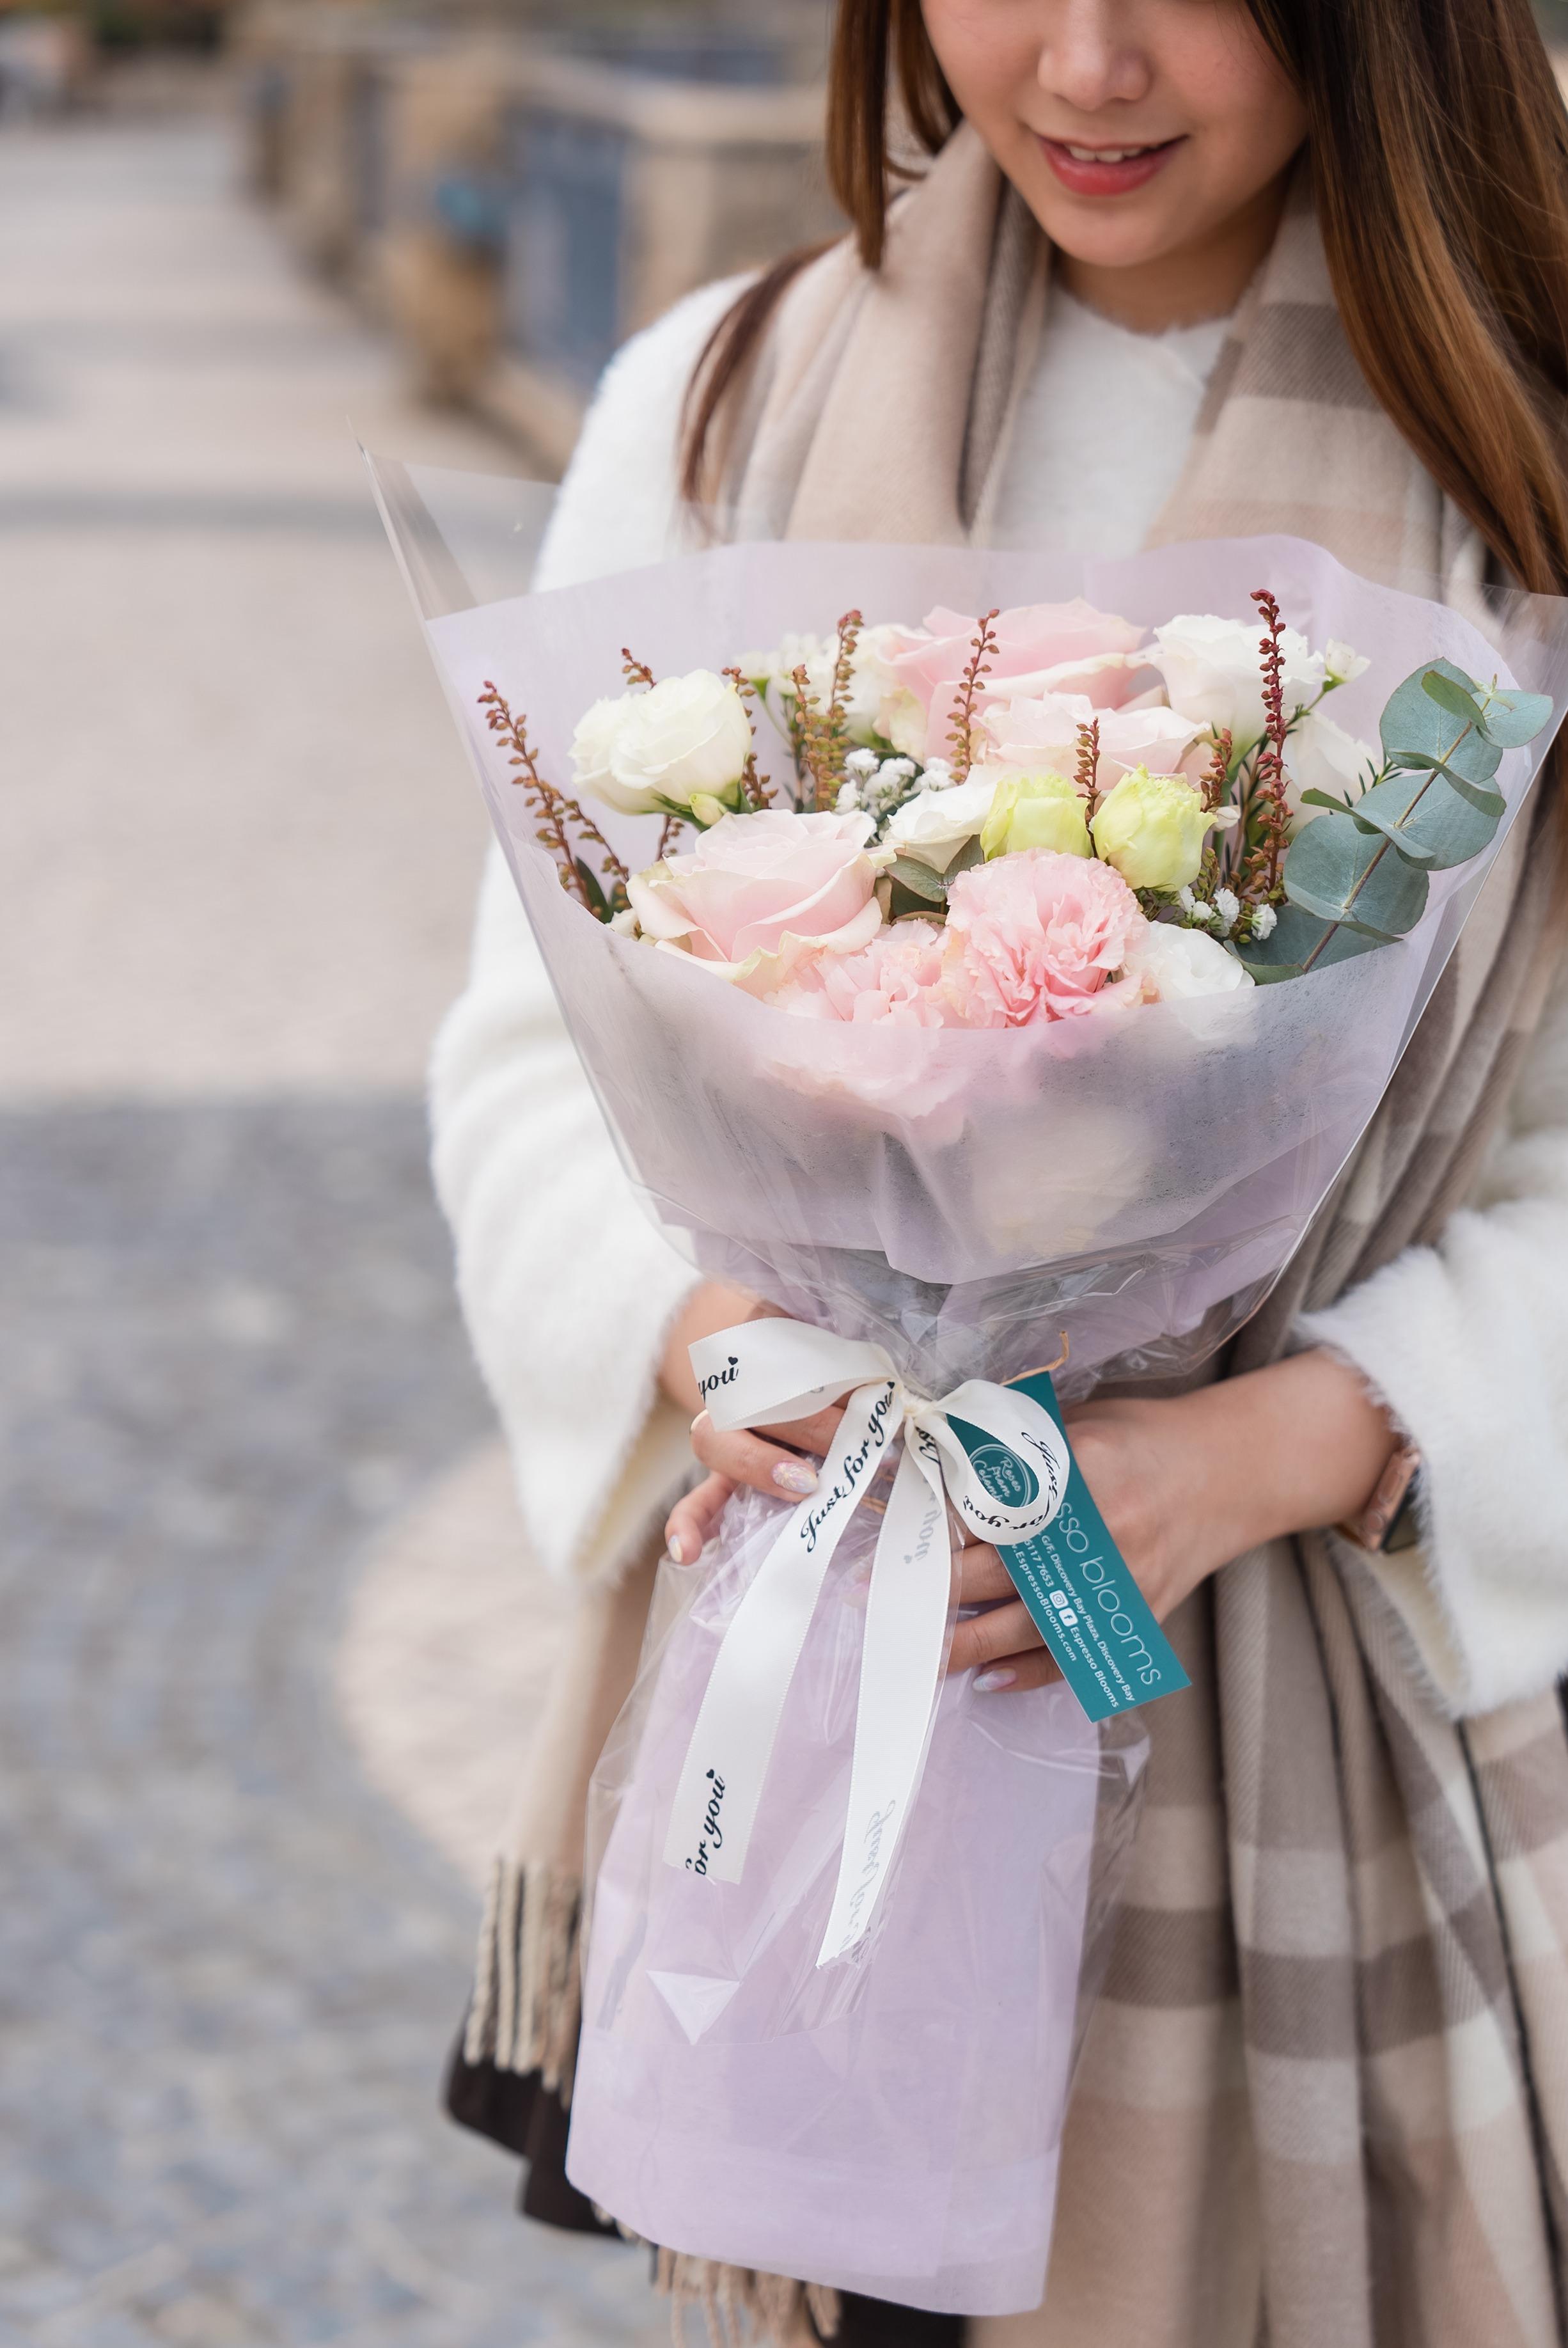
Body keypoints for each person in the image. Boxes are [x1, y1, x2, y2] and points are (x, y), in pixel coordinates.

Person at [435, 1, 1568, 2340]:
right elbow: (524, 1050)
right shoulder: (723, 394)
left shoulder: (1523, 449)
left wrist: (1302, 1436)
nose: (1083, 58)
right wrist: (719, 1343)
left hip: (1352, 1700)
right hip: (831, 1657)